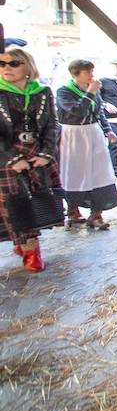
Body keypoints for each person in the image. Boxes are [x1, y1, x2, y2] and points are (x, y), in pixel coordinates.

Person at [0, 48, 64, 271]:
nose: (6, 68)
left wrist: (47, 153)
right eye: (2, 64)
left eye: (13, 63)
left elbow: (52, 125)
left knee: (37, 200)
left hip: (37, 153)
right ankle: (31, 249)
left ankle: (25, 243)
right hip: (6, 156)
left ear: (27, 66)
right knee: (13, 204)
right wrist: (12, 158)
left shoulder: (43, 92)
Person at [56, 59, 117, 230]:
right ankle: (73, 210)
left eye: (92, 71)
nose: (91, 75)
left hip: (93, 133)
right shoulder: (64, 91)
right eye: (87, 72)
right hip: (74, 135)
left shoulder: (93, 90)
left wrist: (107, 129)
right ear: (76, 74)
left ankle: (96, 213)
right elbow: (76, 110)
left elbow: (99, 112)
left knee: (99, 172)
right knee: (74, 172)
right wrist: (90, 93)